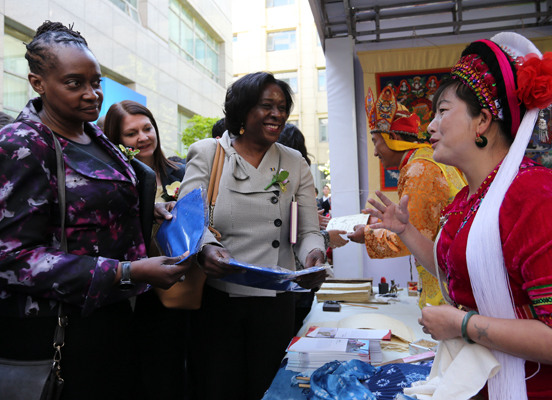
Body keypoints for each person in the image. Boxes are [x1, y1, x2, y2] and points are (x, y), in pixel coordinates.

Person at [365, 32, 552, 399]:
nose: (430, 126)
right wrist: (407, 231)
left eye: (443, 111)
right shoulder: (469, 197)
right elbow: (460, 269)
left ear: (482, 122)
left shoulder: (537, 196)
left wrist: (465, 324)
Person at [0, 21, 190, 400]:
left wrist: (148, 209)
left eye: (96, 82)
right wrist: (123, 272)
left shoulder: (95, 135)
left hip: (121, 318)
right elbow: (12, 257)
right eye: (75, 83)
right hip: (65, 330)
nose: (92, 95)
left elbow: (90, 202)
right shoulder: (21, 144)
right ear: (38, 83)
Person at [178, 72, 327, 400]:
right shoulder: (207, 154)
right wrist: (207, 248)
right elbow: (187, 220)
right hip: (219, 298)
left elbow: (306, 230)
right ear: (243, 110)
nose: (278, 113)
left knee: (267, 388)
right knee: (219, 387)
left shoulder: (294, 161)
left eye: (283, 106)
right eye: (266, 106)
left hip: (276, 301)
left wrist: (314, 254)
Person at [348, 86, 465, 308]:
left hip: (447, 291)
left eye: (375, 142)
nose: (374, 152)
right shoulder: (429, 159)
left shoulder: (419, 169)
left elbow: (415, 237)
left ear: (392, 137)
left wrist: (367, 236)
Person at [103, 100, 189, 400]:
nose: (142, 137)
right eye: (131, 133)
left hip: (188, 283)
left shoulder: (181, 170)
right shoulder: (116, 181)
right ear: (116, 139)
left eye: (147, 128)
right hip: (142, 289)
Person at [277, 123, 347, 332]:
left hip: (292, 280)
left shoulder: (283, 174)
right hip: (293, 278)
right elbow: (287, 231)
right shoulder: (287, 175)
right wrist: (324, 235)